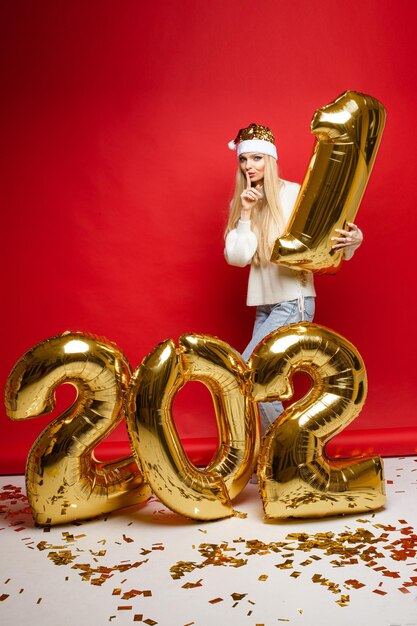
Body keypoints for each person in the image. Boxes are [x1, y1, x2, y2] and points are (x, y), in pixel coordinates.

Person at [224, 123, 363, 433]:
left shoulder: (294, 194)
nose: (250, 166)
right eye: (244, 160)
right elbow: (237, 258)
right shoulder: (241, 202)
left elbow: (324, 241)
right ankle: (282, 452)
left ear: (270, 160)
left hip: (294, 302)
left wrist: (353, 242)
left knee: (251, 372)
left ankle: (285, 453)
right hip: (266, 308)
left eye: (257, 159)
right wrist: (245, 214)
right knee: (261, 382)